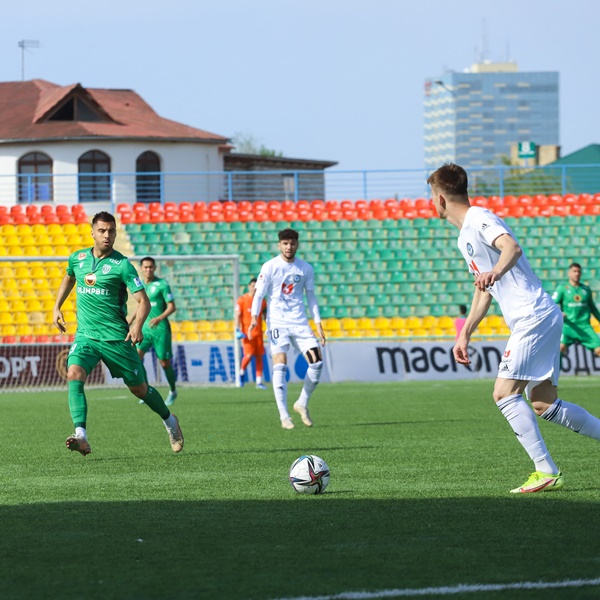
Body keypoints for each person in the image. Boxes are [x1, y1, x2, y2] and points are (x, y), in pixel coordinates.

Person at [428, 163, 600, 493]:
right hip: (539, 315)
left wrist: (495, 271)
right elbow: (483, 289)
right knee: (544, 404)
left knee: (504, 393)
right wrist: (465, 333)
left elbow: (511, 247)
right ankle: (549, 468)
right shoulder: (464, 236)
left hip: (532, 315)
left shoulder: (479, 217)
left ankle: (545, 470)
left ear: (440, 198)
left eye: (431, 197)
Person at [53, 211, 184, 457]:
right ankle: (81, 436)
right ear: (92, 232)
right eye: (102, 230)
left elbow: (143, 301)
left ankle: (169, 420)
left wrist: (137, 326)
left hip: (116, 339)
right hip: (87, 336)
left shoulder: (122, 265)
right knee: (73, 374)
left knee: (139, 389)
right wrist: (57, 306)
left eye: (111, 231)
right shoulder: (77, 258)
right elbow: (69, 278)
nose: (107, 235)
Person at [248, 228, 326, 429]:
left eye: (292, 243)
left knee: (317, 363)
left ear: (297, 244)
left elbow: (311, 297)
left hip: (300, 322)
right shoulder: (270, 266)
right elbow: (259, 294)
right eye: (285, 243)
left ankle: (301, 403)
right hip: (277, 323)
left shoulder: (305, 268)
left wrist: (318, 323)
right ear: (279, 245)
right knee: (280, 364)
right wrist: (254, 317)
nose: (289, 247)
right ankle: (284, 416)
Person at [130, 256, 178, 405]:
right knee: (137, 358)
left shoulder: (162, 284)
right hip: (144, 329)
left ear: (155, 268)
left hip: (160, 330)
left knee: (164, 362)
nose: (148, 270)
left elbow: (172, 306)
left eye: (151, 267)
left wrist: (159, 318)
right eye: (146, 267)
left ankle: (172, 391)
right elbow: (141, 305)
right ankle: (146, 390)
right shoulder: (140, 285)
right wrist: (130, 320)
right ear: (141, 268)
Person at [552, 262, 600, 358]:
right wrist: (559, 313)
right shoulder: (562, 288)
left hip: (584, 326)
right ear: (569, 273)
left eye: (578, 271)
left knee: (599, 349)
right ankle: (556, 369)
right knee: (559, 350)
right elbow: (552, 304)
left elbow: (593, 308)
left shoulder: (586, 289)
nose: (577, 274)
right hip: (568, 326)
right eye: (574, 271)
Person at [235, 277, 268, 389]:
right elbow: (237, 315)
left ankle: (259, 382)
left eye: (256, 286)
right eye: (253, 286)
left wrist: (269, 327)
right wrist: (237, 329)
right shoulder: (242, 300)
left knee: (259, 356)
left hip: (258, 334)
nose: (254, 288)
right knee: (248, 356)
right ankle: (241, 374)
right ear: (249, 286)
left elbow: (265, 315)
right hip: (247, 334)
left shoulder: (262, 301)